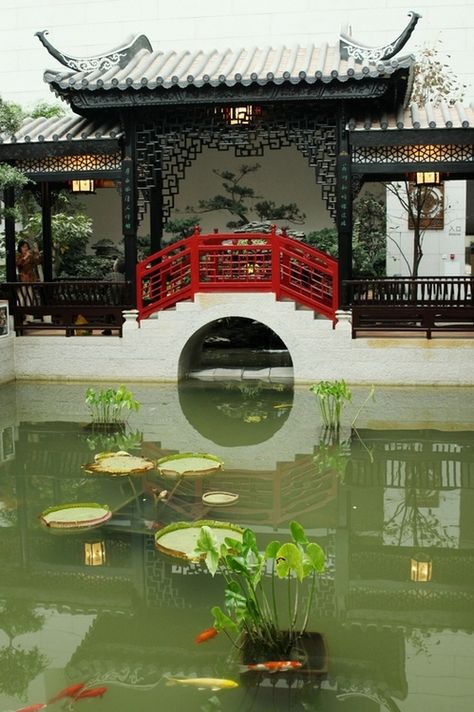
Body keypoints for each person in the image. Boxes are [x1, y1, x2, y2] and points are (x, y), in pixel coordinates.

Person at [15, 240, 43, 321]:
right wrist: (25, 257)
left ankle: (29, 318)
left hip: (30, 279)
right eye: (23, 247)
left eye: (26, 247)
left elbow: (37, 262)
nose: (25, 248)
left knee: (30, 297)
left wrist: (37, 253)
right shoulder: (18, 256)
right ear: (20, 248)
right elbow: (18, 264)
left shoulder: (30, 256)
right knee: (22, 298)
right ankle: (20, 316)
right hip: (22, 279)